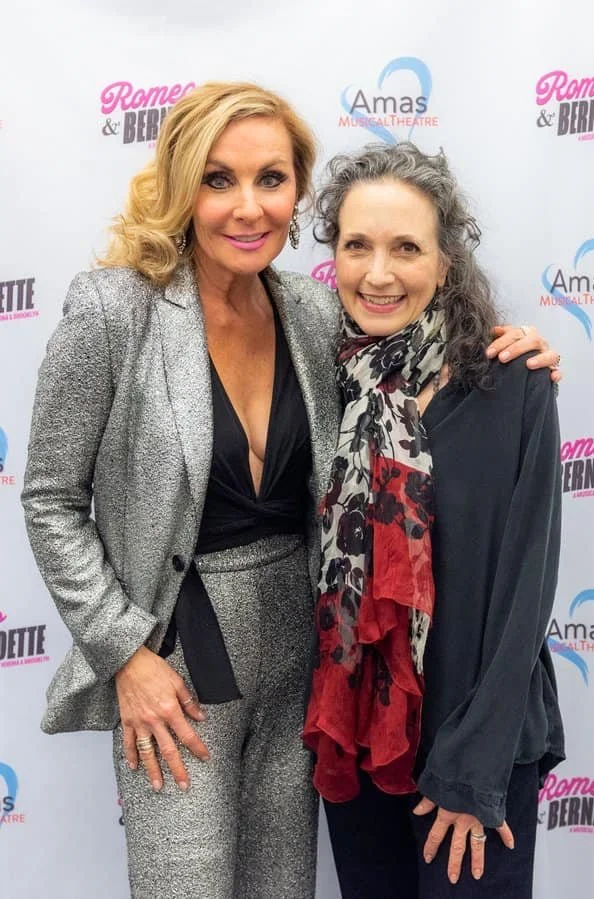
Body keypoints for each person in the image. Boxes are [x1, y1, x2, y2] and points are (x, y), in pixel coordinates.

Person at [21, 81, 560, 899]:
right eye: (218, 178)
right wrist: (124, 651)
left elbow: (423, 354)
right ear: (180, 184)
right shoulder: (114, 310)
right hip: (184, 659)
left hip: (316, 675)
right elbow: (51, 497)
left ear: (297, 192)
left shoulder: (313, 314)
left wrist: (518, 347)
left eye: (270, 179)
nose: (247, 207)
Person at [303, 142, 565, 899]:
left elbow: (525, 593)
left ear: (447, 262)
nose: (378, 273)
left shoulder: (513, 382)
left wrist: (472, 771)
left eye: (406, 247)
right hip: (360, 739)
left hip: (476, 752)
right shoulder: (326, 383)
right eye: (357, 245)